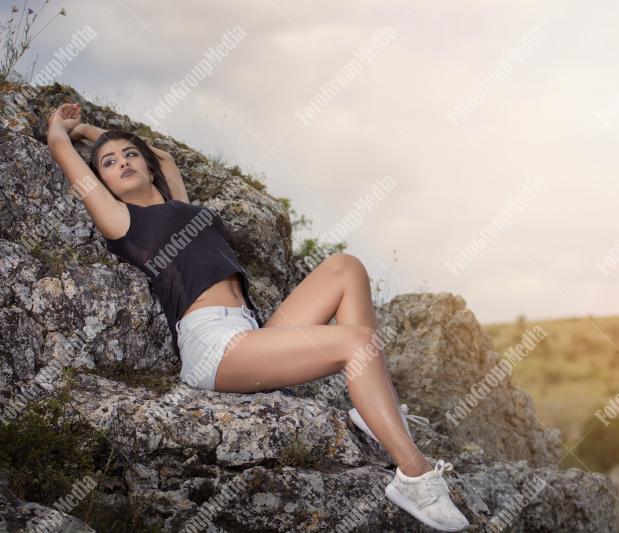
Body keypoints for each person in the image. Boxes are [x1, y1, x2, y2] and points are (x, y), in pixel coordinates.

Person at [46, 102, 470, 531]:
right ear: (105, 185)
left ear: (148, 166)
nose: (122, 163)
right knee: (356, 342)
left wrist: (96, 134)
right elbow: (62, 151)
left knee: (346, 267)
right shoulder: (123, 221)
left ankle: (380, 412)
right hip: (212, 346)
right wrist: (66, 131)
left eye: (130, 155)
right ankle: (414, 475)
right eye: (109, 164)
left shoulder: (183, 207)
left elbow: (167, 157)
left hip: (250, 332)